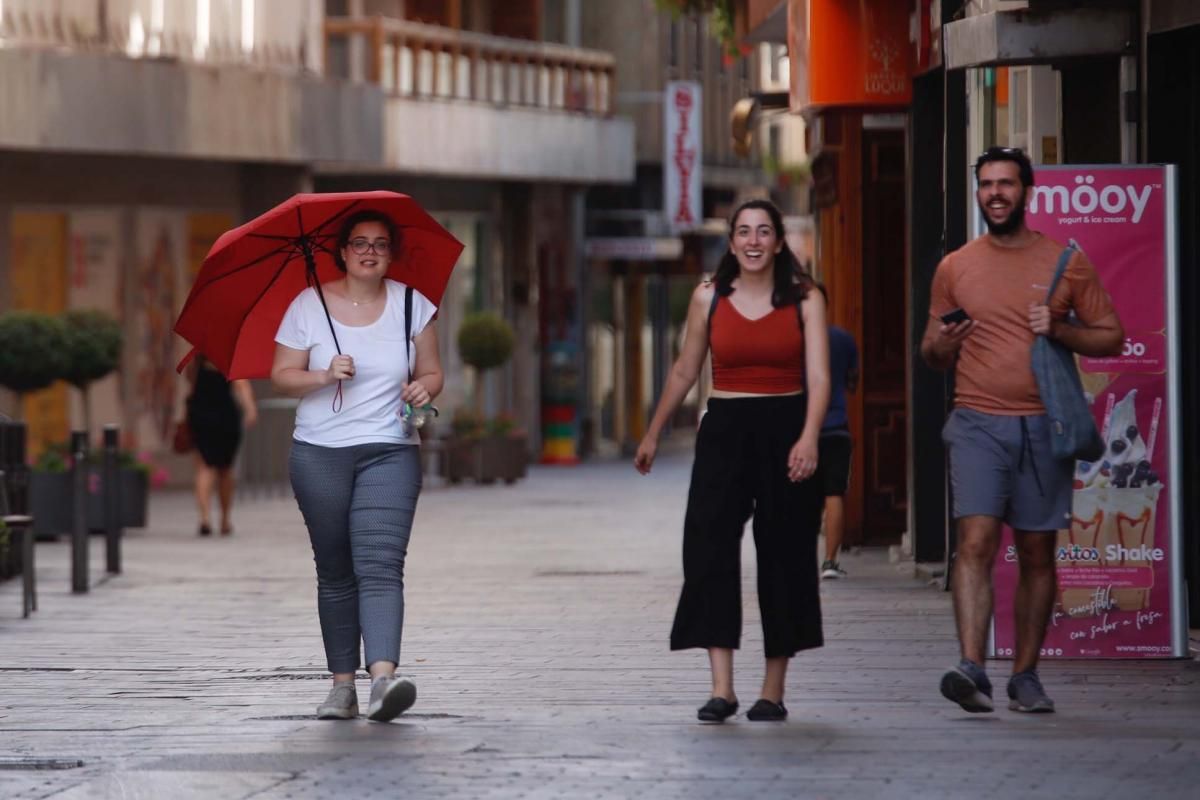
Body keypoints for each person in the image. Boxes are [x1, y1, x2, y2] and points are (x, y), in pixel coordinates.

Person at [921, 147, 1123, 714]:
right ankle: (971, 667)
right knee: (975, 543)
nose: (996, 194)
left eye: (1006, 184)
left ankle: (1026, 675)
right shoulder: (955, 266)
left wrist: (1060, 328)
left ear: (1027, 191)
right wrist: (943, 345)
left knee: (1037, 553)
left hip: (1044, 426)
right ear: (978, 192)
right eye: (986, 184)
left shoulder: (1065, 262)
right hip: (976, 423)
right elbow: (930, 352)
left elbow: (1111, 335)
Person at [634, 199, 830, 723]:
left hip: (788, 426)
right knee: (708, 547)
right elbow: (684, 369)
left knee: (784, 553)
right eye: (743, 232)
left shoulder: (806, 298)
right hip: (724, 428)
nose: (753, 241)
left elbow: (820, 377)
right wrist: (652, 432)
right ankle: (722, 688)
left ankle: (773, 690)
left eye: (764, 231)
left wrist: (810, 438)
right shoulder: (708, 297)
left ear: (780, 241)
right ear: (732, 242)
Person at [271, 209, 443, 723]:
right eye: (360, 243)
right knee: (336, 571)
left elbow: (433, 372)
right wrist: (324, 375)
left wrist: (423, 387)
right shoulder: (307, 305)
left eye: (381, 244)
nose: (370, 251)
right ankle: (341, 686)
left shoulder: (414, 304)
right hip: (319, 452)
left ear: (391, 254)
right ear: (342, 251)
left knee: (381, 564)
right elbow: (281, 375)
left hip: (390, 448)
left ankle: (383, 681)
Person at [813, 284, 859, 580]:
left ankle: (799, 561)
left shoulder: (795, 339)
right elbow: (853, 381)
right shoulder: (843, 338)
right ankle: (830, 561)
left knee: (798, 497)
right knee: (834, 493)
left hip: (800, 430)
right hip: (836, 428)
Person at [185, 355, 257, 536]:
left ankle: (204, 518)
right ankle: (225, 519)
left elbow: (190, 384)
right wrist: (250, 408)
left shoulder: (196, 360)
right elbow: (241, 385)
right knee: (225, 469)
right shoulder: (229, 358)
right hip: (226, 416)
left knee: (204, 468)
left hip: (200, 415)